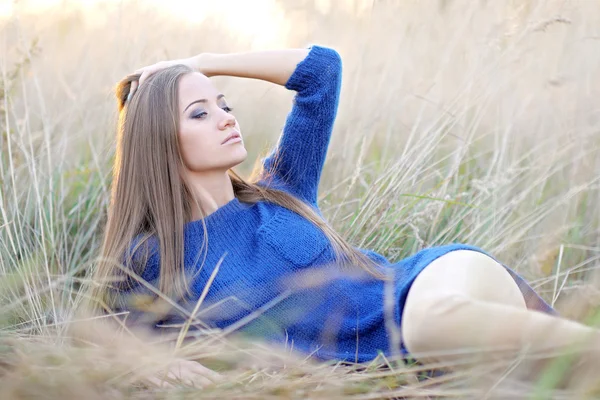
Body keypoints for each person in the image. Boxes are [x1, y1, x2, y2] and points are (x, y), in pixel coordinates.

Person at [84, 45, 600, 390]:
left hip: (427, 289)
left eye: (224, 104)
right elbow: (101, 336)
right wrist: (152, 363)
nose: (225, 117)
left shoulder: (281, 188)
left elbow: (321, 72)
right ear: (158, 142)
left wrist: (203, 61)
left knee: (427, 323)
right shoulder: (152, 258)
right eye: (199, 113)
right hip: (420, 365)